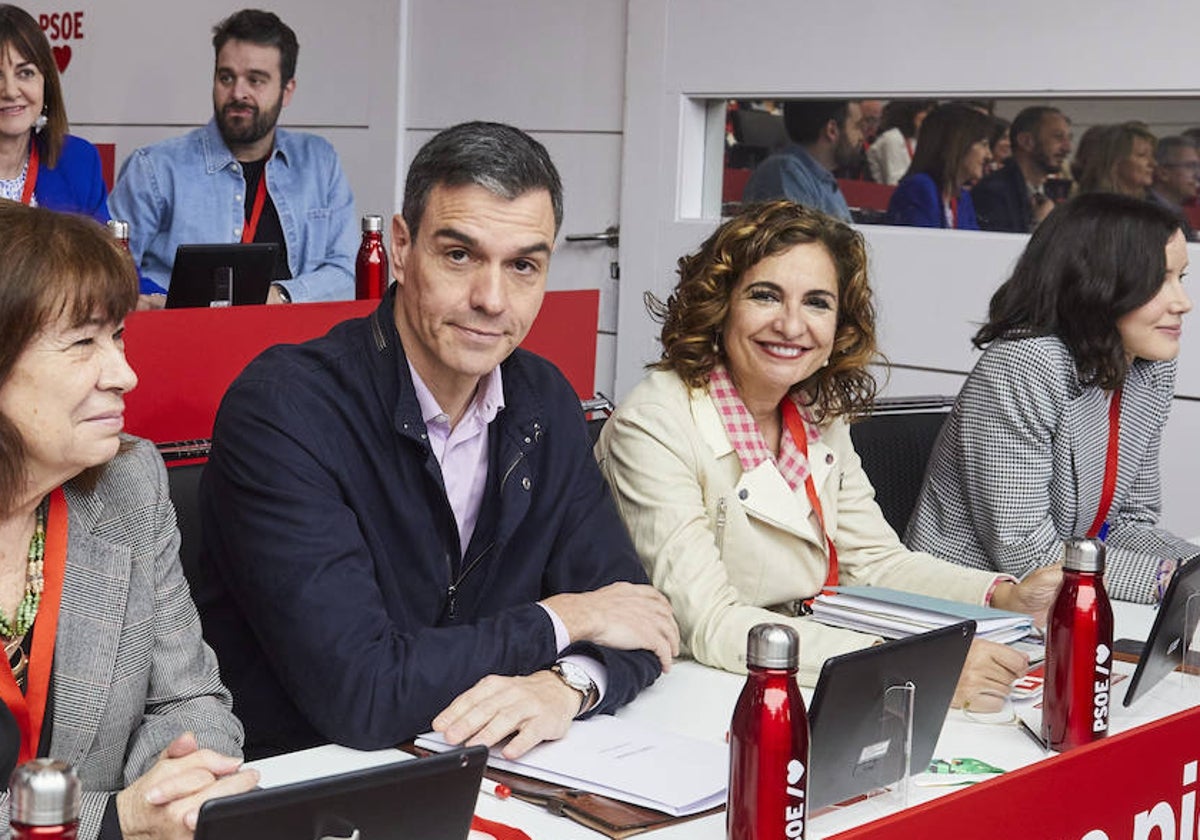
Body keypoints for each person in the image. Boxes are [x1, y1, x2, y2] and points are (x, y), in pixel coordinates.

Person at [195, 121, 678, 760]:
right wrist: (566, 619)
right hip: (312, 785)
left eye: (523, 266)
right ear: (400, 247)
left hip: (486, 769)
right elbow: (361, 693)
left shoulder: (545, 400)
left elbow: (640, 620)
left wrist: (566, 685)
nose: (491, 299)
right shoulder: (286, 408)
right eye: (459, 255)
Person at [594, 200, 1057, 703]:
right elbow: (707, 620)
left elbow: (875, 562)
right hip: (697, 684)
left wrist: (1006, 597)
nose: (792, 327)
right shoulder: (656, 420)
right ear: (719, 304)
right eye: (765, 296)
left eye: (817, 302)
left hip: (799, 665)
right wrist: (913, 667)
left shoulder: (815, 412)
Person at [0, 204, 255, 839]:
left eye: (117, 337)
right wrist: (113, 821)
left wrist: (177, 787)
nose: (125, 374)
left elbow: (189, 698)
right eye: (84, 342)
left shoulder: (127, 484)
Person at [906, 193, 1197, 604]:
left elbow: (1129, 522)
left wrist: (1189, 572)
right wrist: (1169, 582)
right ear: (1098, 284)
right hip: (972, 606)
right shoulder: (1025, 364)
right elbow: (1025, 551)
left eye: (1179, 279)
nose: (1183, 303)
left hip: (1065, 597)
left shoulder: (1149, 366)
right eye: (1158, 282)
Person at [109, 9, 356, 308]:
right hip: (188, 343)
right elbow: (103, 273)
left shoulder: (319, 162)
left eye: (256, 80)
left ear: (287, 91)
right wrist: (160, 303)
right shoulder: (155, 169)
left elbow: (349, 273)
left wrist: (278, 295)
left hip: (295, 346)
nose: (238, 93)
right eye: (226, 77)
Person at [0, 6, 108, 223]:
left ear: (46, 83)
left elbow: (103, 256)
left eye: (25, 73)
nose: (11, 91)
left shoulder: (78, 161)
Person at [741, 100, 864, 221]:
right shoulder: (785, 172)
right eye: (857, 126)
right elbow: (797, 237)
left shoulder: (822, 180)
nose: (861, 137)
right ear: (832, 130)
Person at [884, 103, 993, 229]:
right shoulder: (919, 188)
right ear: (956, 144)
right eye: (983, 145)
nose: (989, 155)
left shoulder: (963, 198)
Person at [973, 107, 1073, 233]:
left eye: (1069, 138)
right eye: (1058, 137)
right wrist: (1038, 225)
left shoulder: (1050, 193)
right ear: (1026, 141)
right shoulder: (993, 192)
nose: (1068, 148)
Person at [1076, 121, 1157, 199]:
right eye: (1142, 155)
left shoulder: (1149, 206)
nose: (1153, 163)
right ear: (1115, 161)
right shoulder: (1093, 208)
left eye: (1151, 155)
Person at [866, 99, 934, 186]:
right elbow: (894, 183)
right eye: (926, 111)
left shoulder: (913, 141)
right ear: (910, 112)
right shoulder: (892, 138)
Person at [1149, 135, 1199, 241]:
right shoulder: (1147, 214)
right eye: (1190, 166)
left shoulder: (1177, 210)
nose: (1197, 175)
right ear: (1163, 173)